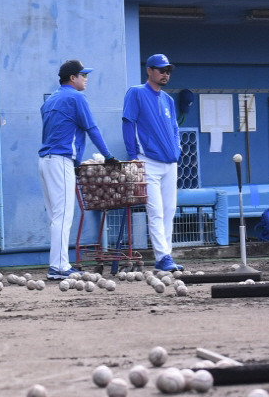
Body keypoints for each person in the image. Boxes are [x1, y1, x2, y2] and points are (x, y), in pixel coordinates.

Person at [39, 59, 117, 280]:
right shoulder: (76, 97)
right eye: (83, 75)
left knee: (56, 216)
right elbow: (91, 128)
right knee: (63, 216)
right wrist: (108, 155)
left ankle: (58, 264)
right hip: (60, 160)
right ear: (72, 78)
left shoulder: (51, 99)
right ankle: (59, 267)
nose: (86, 78)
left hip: (45, 161)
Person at [122, 53, 182, 272]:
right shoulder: (136, 92)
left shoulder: (168, 99)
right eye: (161, 70)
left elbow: (175, 128)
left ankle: (165, 256)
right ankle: (163, 256)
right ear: (149, 70)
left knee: (169, 209)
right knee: (155, 210)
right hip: (148, 160)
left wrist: (178, 148)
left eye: (168, 71)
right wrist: (132, 156)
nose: (165, 74)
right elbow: (128, 122)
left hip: (170, 162)